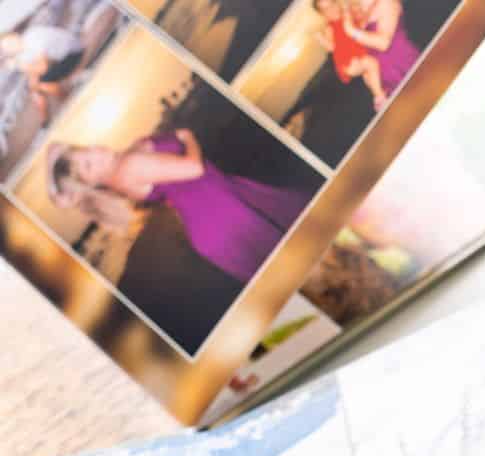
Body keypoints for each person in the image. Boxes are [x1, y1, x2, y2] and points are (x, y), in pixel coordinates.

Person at [44, 130, 313, 286]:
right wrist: (189, 137)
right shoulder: (128, 166)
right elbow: (194, 168)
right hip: (224, 215)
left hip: (216, 213)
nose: (97, 154)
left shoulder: (117, 177)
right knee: (302, 252)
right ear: (89, 182)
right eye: (89, 165)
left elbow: (163, 190)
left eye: (88, 151)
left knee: (293, 265)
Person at [310, 0, 388, 110]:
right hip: (347, 61)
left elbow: (361, 24)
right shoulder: (330, 27)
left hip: (359, 55)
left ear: (337, 3)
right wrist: (321, 40)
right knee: (371, 63)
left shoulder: (348, 15)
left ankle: (379, 94)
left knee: (368, 75)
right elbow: (332, 47)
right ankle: (379, 98)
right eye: (326, 9)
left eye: (332, 5)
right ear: (323, 15)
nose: (331, 10)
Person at [338, 0, 421, 101]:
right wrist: (357, 68)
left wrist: (351, 31)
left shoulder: (386, 3)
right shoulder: (360, 12)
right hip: (386, 85)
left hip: (405, 69)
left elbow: (383, 43)